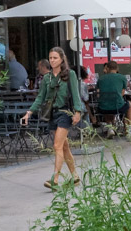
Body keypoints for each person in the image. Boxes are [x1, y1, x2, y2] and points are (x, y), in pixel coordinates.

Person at [22, 47, 86, 189]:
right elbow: (40, 98)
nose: (52, 60)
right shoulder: (47, 78)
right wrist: (29, 112)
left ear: (62, 59)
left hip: (65, 113)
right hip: (52, 113)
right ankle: (75, 176)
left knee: (57, 145)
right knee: (64, 146)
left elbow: (76, 94)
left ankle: (55, 179)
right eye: (50, 58)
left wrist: (77, 112)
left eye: (55, 58)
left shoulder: (71, 74)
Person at [95, 61, 131, 138]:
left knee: (106, 102)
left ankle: (110, 128)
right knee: (129, 104)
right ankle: (130, 129)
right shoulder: (122, 77)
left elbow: (98, 93)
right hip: (117, 107)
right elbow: (122, 93)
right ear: (117, 68)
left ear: (107, 68)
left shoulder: (101, 79)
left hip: (103, 108)